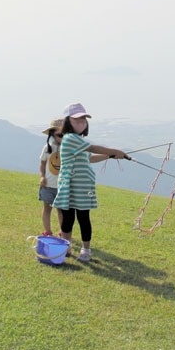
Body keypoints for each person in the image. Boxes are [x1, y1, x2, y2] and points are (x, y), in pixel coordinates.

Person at [53, 102, 128, 262]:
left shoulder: (79, 141)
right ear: (68, 121)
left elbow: (90, 158)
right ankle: (66, 247)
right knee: (68, 219)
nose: (81, 123)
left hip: (82, 187)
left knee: (83, 218)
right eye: (77, 120)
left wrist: (109, 156)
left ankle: (85, 250)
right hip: (69, 186)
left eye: (83, 120)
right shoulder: (70, 138)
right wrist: (114, 151)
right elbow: (94, 148)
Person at [37, 118, 64, 236]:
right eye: (60, 134)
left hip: (62, 186)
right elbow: (42, 163)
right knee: (47, 208)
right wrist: (42, 176)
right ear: (53, 133)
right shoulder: (48, 148)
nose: (62, 136)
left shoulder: (67, 148)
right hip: (48, 185)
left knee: (61, 210)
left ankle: (63, 231)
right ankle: (48, 231)